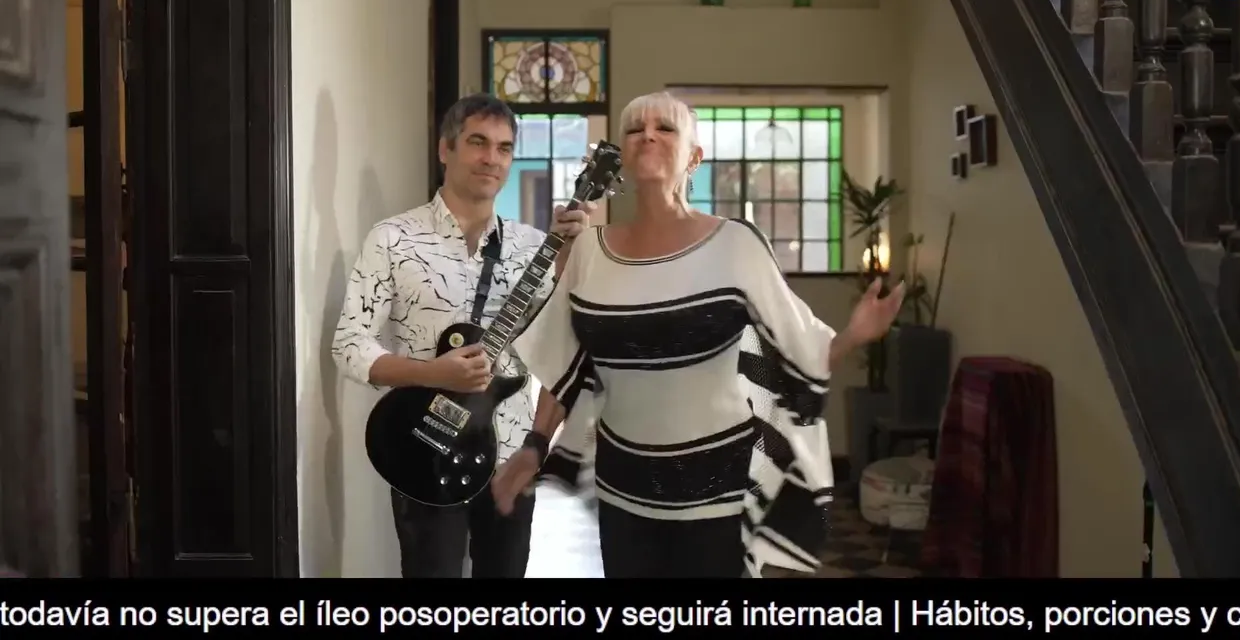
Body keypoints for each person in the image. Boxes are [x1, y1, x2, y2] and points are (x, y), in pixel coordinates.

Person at [492, 91, 905, 578]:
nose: (647, 135)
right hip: (623, 490)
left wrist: (855, 334)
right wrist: (535, 445)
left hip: (719, 492)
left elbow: (800, 346)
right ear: (621, 156)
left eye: (665, 128)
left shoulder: (736, 243)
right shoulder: (590, 251)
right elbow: (567, 363)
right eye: (635, 128)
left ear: (694, 157)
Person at [331, 94, 594, 578]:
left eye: (504, 148)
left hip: (510, 458)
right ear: (445, 149)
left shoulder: (534, 247)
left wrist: (571, 255)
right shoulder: (393, 239)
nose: (491, 158)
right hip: (423, 449)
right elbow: (350, 344)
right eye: (477, 142)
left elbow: (562, 350)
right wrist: (432, 373)